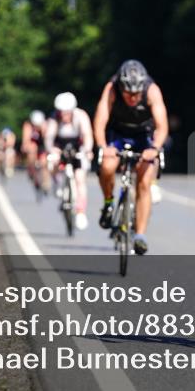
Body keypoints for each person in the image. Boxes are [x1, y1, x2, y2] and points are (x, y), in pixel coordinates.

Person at [93, 60, 169, 255]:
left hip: (144, 135)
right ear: (121, 87)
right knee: (107, 166)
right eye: (128, 93)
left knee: (144, 180)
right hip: (118, 134)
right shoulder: (111, 88)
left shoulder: (152, 90)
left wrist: (154, 148)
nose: (132, 98)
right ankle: (109, 203)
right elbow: (100, 120)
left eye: (136, 94)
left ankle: (140, 235)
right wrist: (103, 146)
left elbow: (162, 126)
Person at [46, 92, 94, 231]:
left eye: (67, 113)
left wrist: (87, 150)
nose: (64, 116)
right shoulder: (54, 118)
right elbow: (49, 137)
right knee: (52, 161)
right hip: (59, 145)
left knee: (80, 179)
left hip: (77, 147)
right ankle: (56, 182)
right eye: (62, 113)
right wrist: (52, 150)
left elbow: (87, 135)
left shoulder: (81, 116)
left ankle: (80, 212)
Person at [22, 110, 48, 195]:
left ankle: (45, 182)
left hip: (42, 146)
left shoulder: (45, 125)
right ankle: (31, 169)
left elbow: (47, 140)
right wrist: (25, 146)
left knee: (44, 162)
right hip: (33, 146)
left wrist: (43, 130)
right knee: (32, 148)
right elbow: (26, 139)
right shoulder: (28, 126)